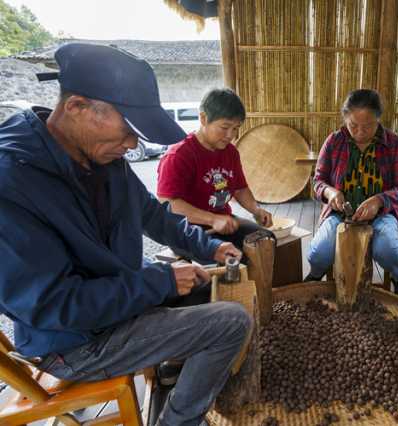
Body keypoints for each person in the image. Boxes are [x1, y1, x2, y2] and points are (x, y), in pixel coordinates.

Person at [0, 43, 251, 426]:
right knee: (232, 323)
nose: (134, 144)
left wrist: (210, 248)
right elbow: (56, 306)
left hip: (112, 303)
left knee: (203, 286)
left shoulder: (99, 156)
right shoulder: (11, 181)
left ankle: (171, 367)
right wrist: (159, 281)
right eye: (127, 129)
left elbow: (153, 215)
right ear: (77, 107)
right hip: (74, 342)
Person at [305, 89, 398, 292]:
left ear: (379, 120)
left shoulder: (396, 145)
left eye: (368, 126)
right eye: (353, 125)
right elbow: (318, 181)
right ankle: (315, 278)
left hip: (383, 215)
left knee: (387, 249)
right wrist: (331, 193)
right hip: (339, 214)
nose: (360, 132)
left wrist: (379, 200)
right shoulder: (334, 141)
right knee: (319, 253)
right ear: (345, 118)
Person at [157, 88, 274, 261]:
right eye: (225, 127)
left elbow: (240, 189)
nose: (231, 135)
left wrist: (256, 210)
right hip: (187, 230)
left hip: (223, 222)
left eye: (236, 128)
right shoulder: (179, 155)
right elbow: (168, 203)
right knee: (231, 259)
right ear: (203, 118)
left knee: (266, 240)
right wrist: (212, 219)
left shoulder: (230, 152)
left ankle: (257, 287)